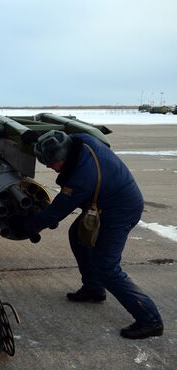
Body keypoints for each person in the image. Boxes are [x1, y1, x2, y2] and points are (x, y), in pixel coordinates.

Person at [22, 130, 163, 339]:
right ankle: (93, 288)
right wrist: (38, 137)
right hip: (111, 200)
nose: (49, 167)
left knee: (107, 267)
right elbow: (63, 132)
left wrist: (28, 226)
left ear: (63, 158)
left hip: (120, 210)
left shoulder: (81, 178)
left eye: (51, 164)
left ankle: (150, 319)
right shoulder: (81, 140)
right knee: (77, 235)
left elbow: (55, 212)